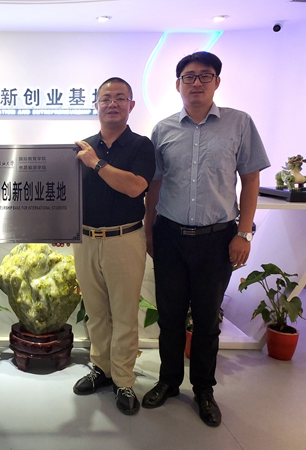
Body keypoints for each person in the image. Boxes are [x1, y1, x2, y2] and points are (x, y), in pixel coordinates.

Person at [142, 52, 270, 427]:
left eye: (205, 75)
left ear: (217, 81)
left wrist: (244, 232)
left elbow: (250, 180)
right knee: (169, 316)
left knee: (206, 320)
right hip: (169, 236)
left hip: (217, 239)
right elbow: (155, 184)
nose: (196, 82)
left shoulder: (239, 123)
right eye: (189, 76)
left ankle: (203, 390)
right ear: (177, 84)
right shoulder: (163, 129)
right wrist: (149, 229)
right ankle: (168, 381)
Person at [68, 77, 155, 415]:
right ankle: (101, 369)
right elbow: (70, 195)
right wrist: (63, 225)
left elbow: (135, 187)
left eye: (120, 98)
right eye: (106, 98)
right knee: (96, 312)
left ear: (131, 105)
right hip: (86, 240)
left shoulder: (141, 146)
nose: (112, 104)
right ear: (96, 105)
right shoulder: (82, 146)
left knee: (124, 314)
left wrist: (96, 164)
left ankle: (123, 380)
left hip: (125, 239)